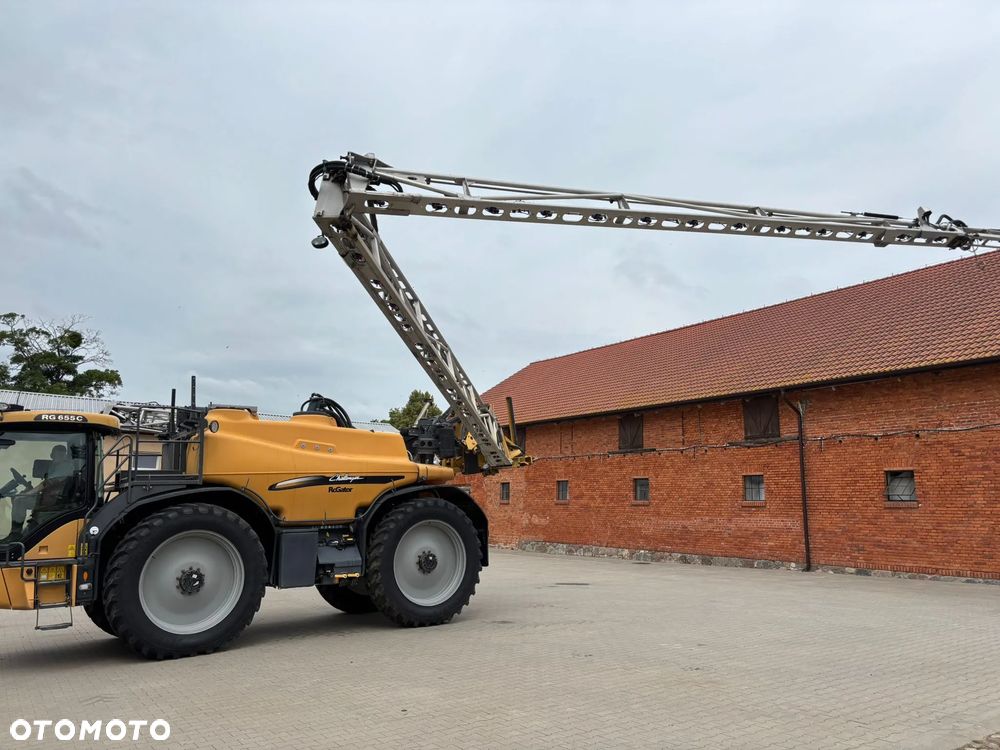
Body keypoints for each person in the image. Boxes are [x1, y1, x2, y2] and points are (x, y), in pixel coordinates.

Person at [2, 445, 79, 542]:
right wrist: (28, 489)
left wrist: (29, 493)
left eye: (61, 455)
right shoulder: (54, 466)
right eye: (57, 455)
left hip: (54, 501)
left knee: (19, 501)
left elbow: (47, 483)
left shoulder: (65, 466)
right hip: (48, 497)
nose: (59, 457)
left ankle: (15, 534)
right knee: (19, 496)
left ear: (65, 456)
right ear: (52, 455)